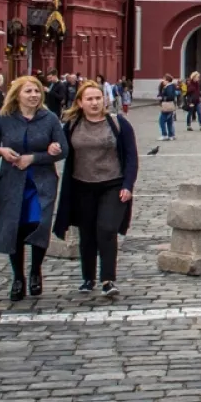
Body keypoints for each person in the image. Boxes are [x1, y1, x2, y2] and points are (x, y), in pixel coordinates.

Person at [0, 76, 67, 301]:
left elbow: (63, 150)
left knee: (38, 225)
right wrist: (1, 151)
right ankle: (18, 278)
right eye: (28, 91)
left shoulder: (49, 118)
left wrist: (36, 157)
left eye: (36, 91)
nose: (34, 95)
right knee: (15, 227)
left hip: (41, 182)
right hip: (13, 182)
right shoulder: (5, 119)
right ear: (17, 95)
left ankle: (36, 271)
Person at [54, 79, 138, 297]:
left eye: (98, 98)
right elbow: (60, 149)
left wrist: (128, 185)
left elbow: (131, 156)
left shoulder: (118, 122)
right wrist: (51, 148)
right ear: (80, 103)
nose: (94, 103)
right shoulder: (71, 125)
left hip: (113, 184)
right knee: (87, 233)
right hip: (82, 186)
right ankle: (88, 278)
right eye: (89, 99)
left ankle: (108, 279)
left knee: (107, 229)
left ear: (104, 100)